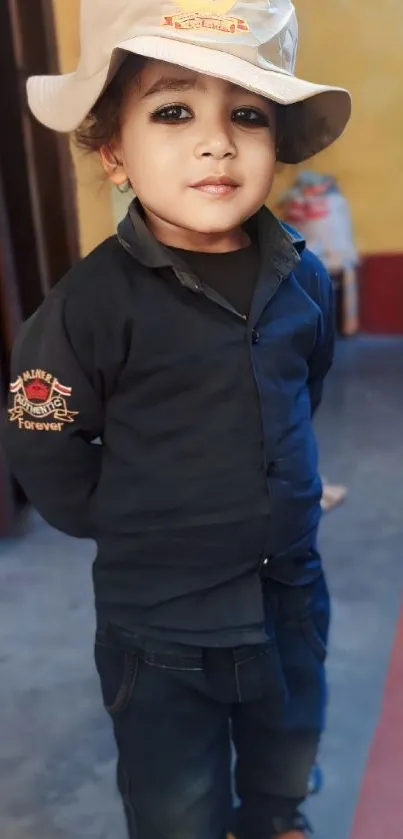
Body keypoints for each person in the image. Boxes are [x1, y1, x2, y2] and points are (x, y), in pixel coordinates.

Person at [4, 1, 351, 837]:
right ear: (112, 150)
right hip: (162, 617)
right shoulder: (88, 306)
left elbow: (305, 382)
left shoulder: (302, 279)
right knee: (176, 794)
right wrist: (122, 518)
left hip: (288, 589)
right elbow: (41, 436)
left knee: (288, 737)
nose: (216, 141)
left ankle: (275, 817)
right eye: (173, 110)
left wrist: (279, 483)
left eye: (246, 114)